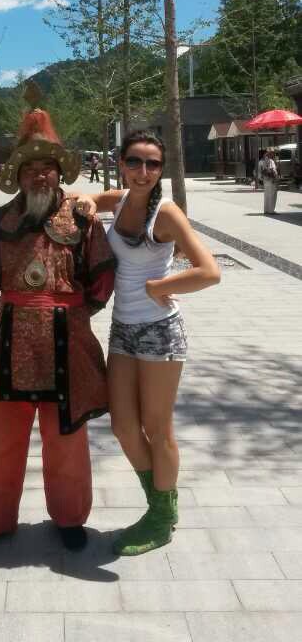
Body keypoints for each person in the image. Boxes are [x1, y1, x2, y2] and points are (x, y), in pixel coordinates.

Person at [0, 96, 115, 554]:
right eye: (30, 168)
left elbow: (102, 276)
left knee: (66, 438)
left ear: (59, 172)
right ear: (17, 175)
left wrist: (71, 312)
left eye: (47, 167)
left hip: (67, 344)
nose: (39, 175)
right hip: (11, 342)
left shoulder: (82, 221)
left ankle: (70, 518)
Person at [74, 130, 220, 556]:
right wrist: (85, 202)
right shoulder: (120, 200)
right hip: (122, 329)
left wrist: (161, 285)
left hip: (160, 331)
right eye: (135, 161)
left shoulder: (166, 213)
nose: (143, 171)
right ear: (120, 163)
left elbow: (209, 271)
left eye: (152, 164)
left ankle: (160, 515)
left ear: (161, 169)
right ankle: (160, 504)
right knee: (123, 426)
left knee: (158, 428)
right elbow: (81, 197)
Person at [261, 148, 278, 214]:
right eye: (273, 153)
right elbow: (271, 170)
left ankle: (266, 210)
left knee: (267, 195)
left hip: (266, 180)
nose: (274, 154)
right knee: (272, 195)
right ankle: (271, 210)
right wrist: (274, 177)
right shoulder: (270, 161)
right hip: (271, 180)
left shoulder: (263, 160)